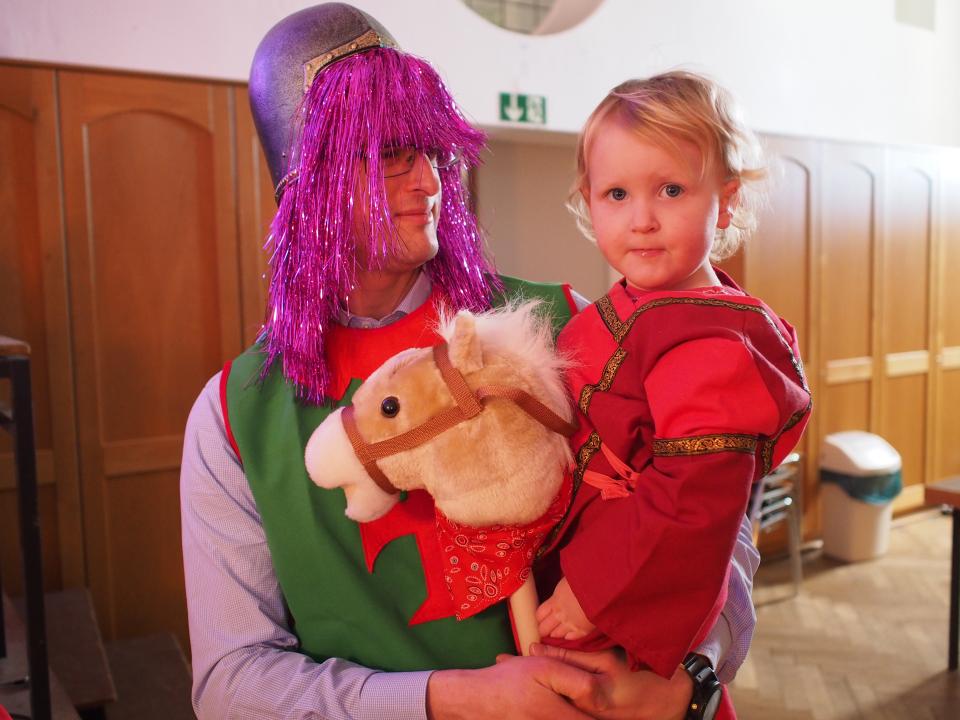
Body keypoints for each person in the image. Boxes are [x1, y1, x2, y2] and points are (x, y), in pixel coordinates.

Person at [180, 6, 761, 718]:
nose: (429, 182)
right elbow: (231, 683)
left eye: (432, 150)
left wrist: (692, 672)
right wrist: (449, 700)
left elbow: (714, 510)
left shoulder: (567, 323)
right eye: (391, 153)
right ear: (309, 180)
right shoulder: (231, 417)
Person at [531, 72, 812, 718]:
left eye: (672, 190)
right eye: (617, 194)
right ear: (589, 202)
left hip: (627, 600)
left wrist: (594, 592)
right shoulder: (636, 302)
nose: (642, 220)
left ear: (727, 202)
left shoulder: (712, 340)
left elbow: (694, 503)